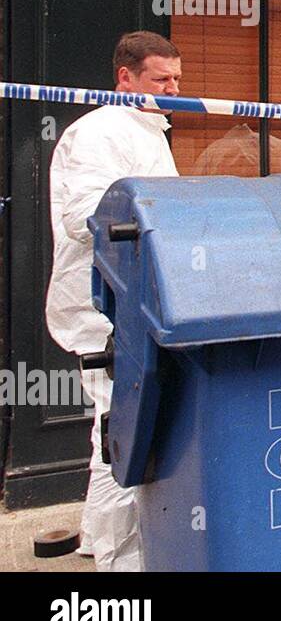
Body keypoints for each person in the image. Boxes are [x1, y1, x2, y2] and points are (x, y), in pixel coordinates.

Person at [45, 31, 182, 572]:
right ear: (125, 77)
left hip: (129, 300)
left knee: (113, 424)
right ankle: (120, 564)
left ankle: (95, 538)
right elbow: (87, 214)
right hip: (103, 304)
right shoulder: (102, 131)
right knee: (122, 432)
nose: (172, 90)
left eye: (177, 79)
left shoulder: (147, 129)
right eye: (160, 79)